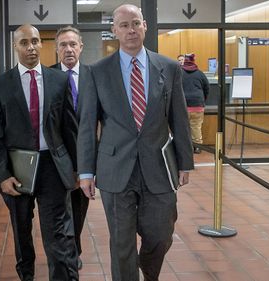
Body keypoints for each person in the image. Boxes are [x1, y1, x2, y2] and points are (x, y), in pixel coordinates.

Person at [77, 4, 194, 281]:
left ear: (144, 26)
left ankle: (148, 270)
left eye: (135, 23)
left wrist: (185, 161)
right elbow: (87, 125)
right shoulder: (97, 72)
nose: (131, 30)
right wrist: (85, 172)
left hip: (159, 167)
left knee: (161, 234)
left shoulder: (168, 68)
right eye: (124, 25)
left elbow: (179, 119)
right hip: (115, 168)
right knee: (121, 242)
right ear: (114, 31)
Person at [0, 24, 79, 281]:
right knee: (22, 233)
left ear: (42, 44)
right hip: (17, 170)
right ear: (15, 46)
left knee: (56, 235)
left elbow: (70, 129)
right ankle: (26, 275)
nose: (31, 47)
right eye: (24, 42)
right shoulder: (0, 84)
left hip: (52, 167)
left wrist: (77, 168)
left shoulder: (60, 80)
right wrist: (2, 175)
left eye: (35, 41)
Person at [51, 25, 91, 270]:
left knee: (78, 209)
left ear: (81, 48)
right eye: (63, 45)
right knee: (57, 211)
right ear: (56, 49)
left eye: (72, 44)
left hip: (85, 160)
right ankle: (64, 252)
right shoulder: (47, 76)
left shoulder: (93, 76)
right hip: (56, 160)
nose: (68, 49)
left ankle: (74, 249)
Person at [181, 53, 210, 154]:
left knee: (183, 127)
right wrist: (202, 100)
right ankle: (197, 147)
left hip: (183, 105)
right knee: (196, 126)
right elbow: (207, 88)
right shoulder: (200, 74)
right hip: (197, 104)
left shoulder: (179, 73)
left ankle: (185, 147)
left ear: (185, 61)